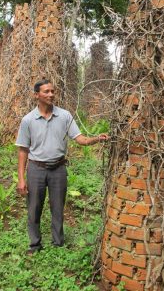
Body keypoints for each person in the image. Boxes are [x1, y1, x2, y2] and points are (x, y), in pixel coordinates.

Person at [16, 79, 108, 254]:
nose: (51, 94)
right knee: (34, 208)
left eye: (52, 91)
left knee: (58, 207)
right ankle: (35, 244)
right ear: (37, 95)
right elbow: (23, 150)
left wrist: (97, 138)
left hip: (58, 169)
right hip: (36, 169)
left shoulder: (65, 116)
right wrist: (21, 179)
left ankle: (58, 243)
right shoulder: (28, 120)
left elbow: (80, 139)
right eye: (46, 92)